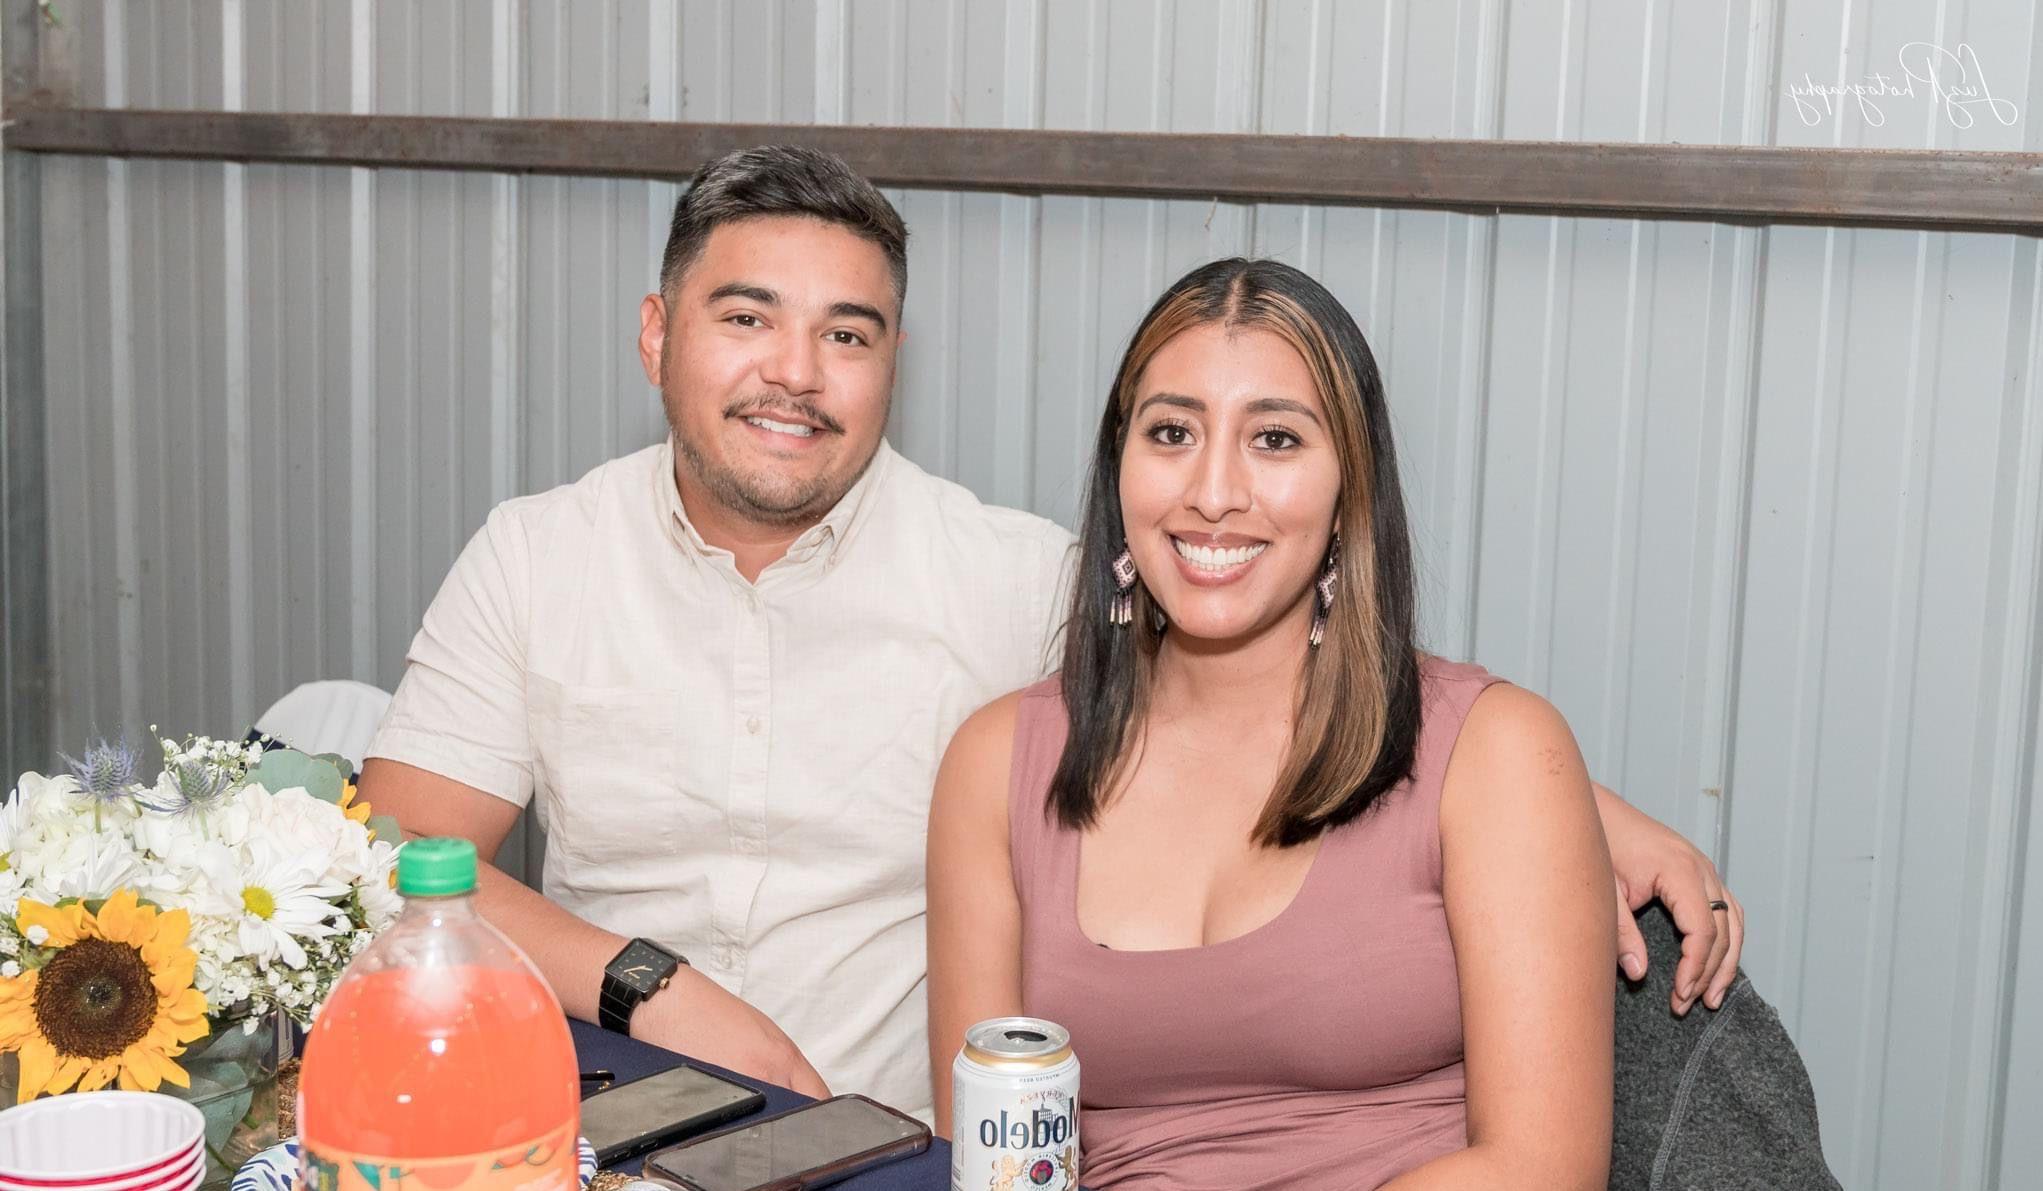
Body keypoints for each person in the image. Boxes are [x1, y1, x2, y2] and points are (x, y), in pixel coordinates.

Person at [360, 146, 1743, 1124]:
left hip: (883, 1145)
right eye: (746, 319)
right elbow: (390, 852)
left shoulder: (1011, 579)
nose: (795, 373)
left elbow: (1260, 641)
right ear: (656, 336)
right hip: (601, 1118)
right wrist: (653, 991)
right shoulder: (538, 555)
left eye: (849, 334)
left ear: (893, 366)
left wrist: (1577, 806)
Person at [928, 258, 1616, 1188]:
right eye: (1171, 432)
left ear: (1348, 492)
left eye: (1275, 439)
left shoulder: (1496, 750)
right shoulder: (995, 763)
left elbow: (1544, 1166)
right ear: (1118, 468)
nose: (1213, 491)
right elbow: (986, 1155)